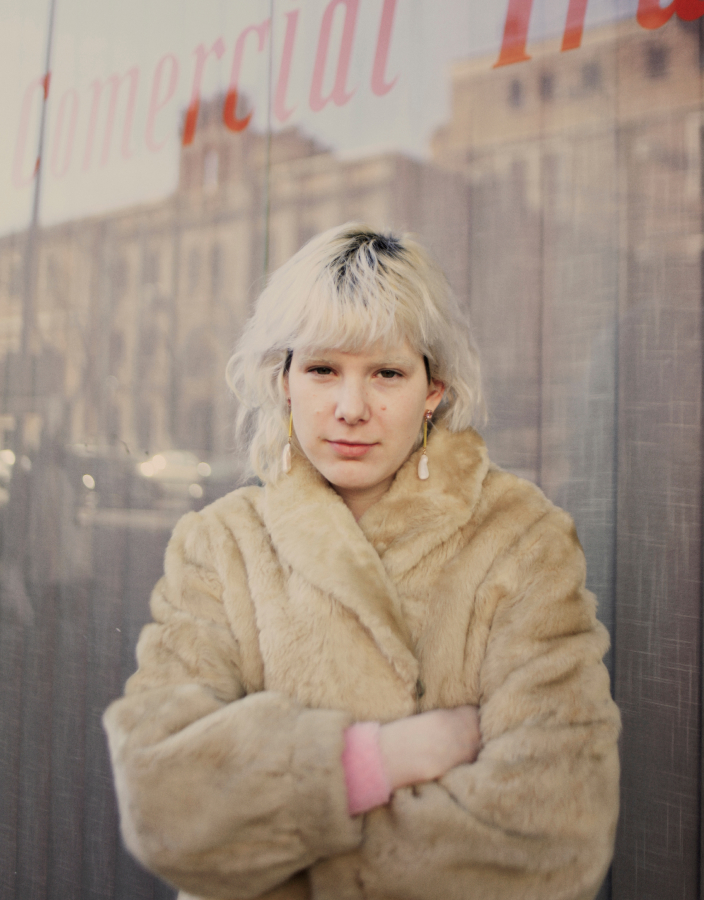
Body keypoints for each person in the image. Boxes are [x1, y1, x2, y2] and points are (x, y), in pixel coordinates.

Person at [104, 224, 620, 900]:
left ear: (433, 389)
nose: (351, 409)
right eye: (322, 369)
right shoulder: (220, 545)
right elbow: (161, 799)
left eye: (386, 373)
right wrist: (375, 762)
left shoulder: (523, 541)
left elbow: (555, 831)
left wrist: (273, 838)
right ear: (284, 380)